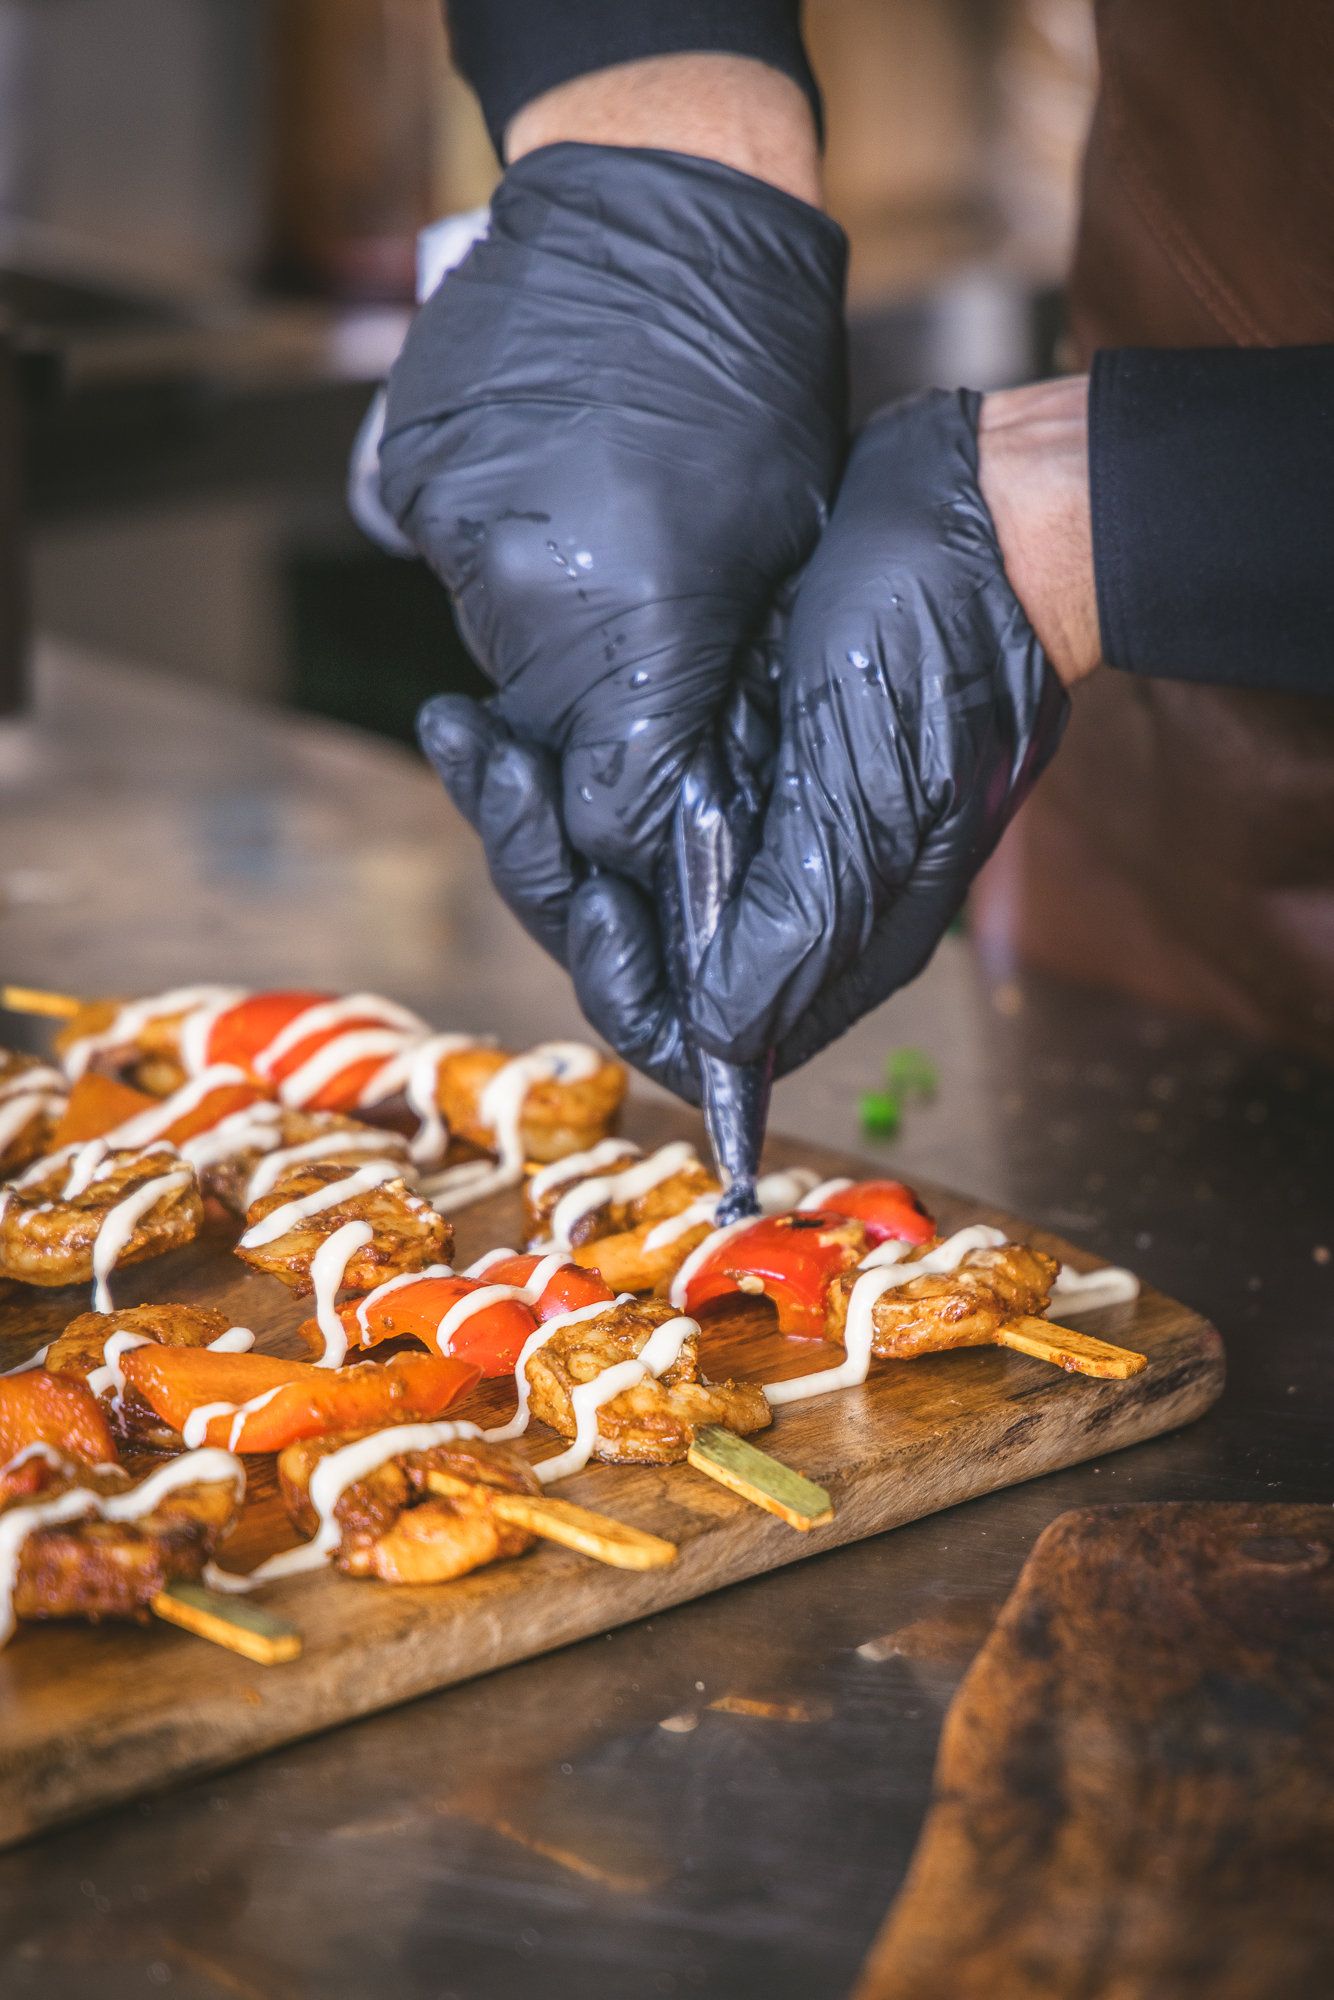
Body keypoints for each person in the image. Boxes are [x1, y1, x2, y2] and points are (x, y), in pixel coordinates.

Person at [379, 2, 1334, 1103]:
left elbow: (1120, 516)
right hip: (1174, 828)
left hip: (1138, 577)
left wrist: (1134, 505)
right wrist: (645, 119)